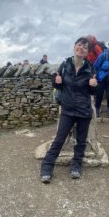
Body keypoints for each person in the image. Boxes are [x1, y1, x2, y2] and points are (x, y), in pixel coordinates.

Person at [40, 37, 97, 183]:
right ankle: (46, 166)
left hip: (84, 111)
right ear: (74, 47)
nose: (81, 48)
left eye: (85, 47)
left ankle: (76, 166)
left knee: (81, 141)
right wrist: (56, 82)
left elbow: (92, 92)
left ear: (87, 52)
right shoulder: (65, 65)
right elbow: (58, 86)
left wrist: (94, 85)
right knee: (59, 140)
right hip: (68, 110)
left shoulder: (90, 68)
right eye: (79, 45)